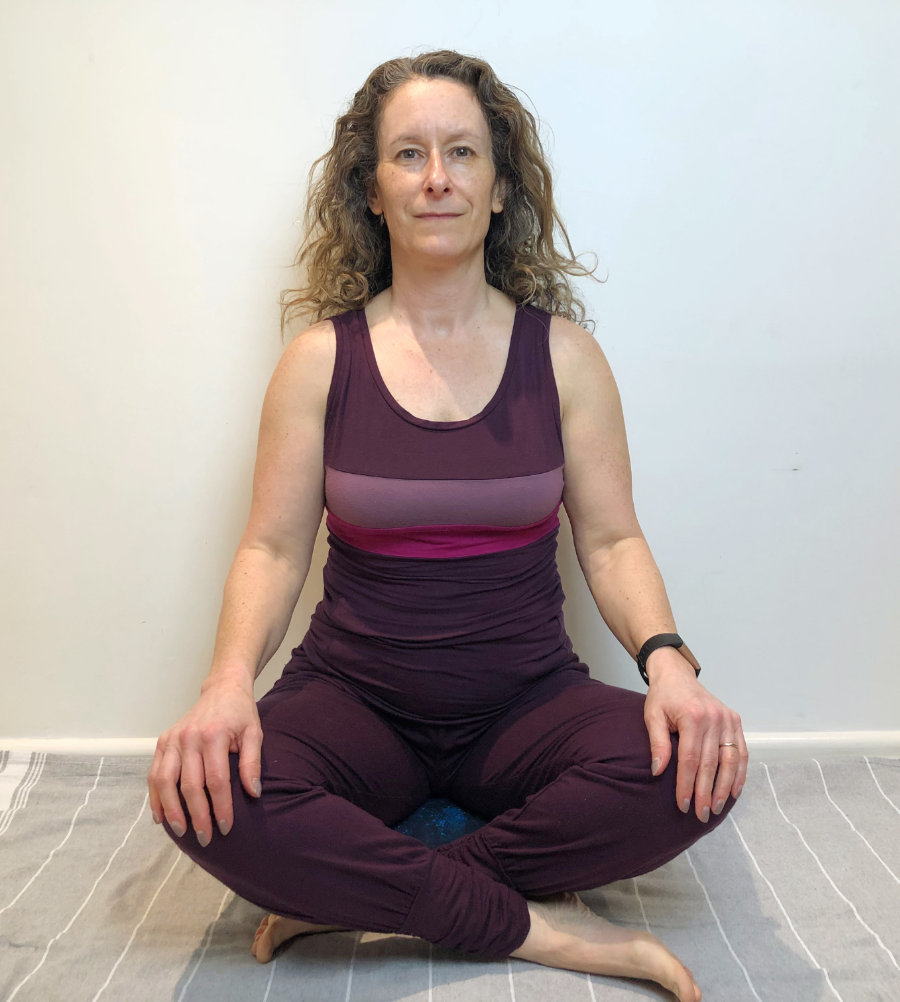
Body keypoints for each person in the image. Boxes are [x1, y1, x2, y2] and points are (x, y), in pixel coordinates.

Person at [147, 50, 747, 1001]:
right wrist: (226, 687)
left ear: (500, 187)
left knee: (692, 768)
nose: (437, 178)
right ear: (373, 192)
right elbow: (270, 548)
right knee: (201, 796)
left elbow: (613, 540)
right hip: (354, 702)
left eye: (463, 153)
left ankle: (358, 890)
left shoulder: (565, 357)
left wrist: (670, 666)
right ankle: (549, 929)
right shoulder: (317, 362)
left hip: (525, 705)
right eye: (409, 156)